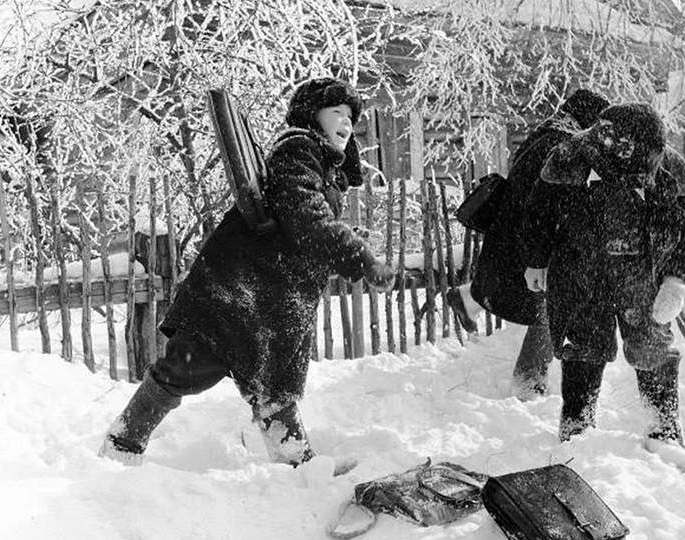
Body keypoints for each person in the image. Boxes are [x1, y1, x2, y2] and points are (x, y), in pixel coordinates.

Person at [99, 77, 395, 468]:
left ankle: (297, 464)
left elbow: (302, 221)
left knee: (275, 383)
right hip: (241, 295)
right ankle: (122, 443)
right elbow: (305, 217)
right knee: (187, 366)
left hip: (266, 297)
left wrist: (342, 240)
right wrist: (359, 257)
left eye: (350, 116)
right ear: (312, 116)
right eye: (336, 112)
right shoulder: (299, 150)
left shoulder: (318, 163)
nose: (346, 121)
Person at [521, 102, 685, 468]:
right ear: (619, 145)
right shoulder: (570, 157)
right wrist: (536, 258)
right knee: (584, 344)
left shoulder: (671, 167)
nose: (651, 163)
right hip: (581, 268)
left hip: (643, 269)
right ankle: (577, 427)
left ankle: (663, 429)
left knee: (652, 343)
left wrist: (678, 278)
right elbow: (537, 210)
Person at [447, 89, 610, 400]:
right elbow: (552, 198)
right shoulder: (560, 145)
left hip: (514, 230)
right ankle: (528, 381)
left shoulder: (545, 135)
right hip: (534, 233)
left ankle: (468, 300)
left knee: (520, 290)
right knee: (550, 304)